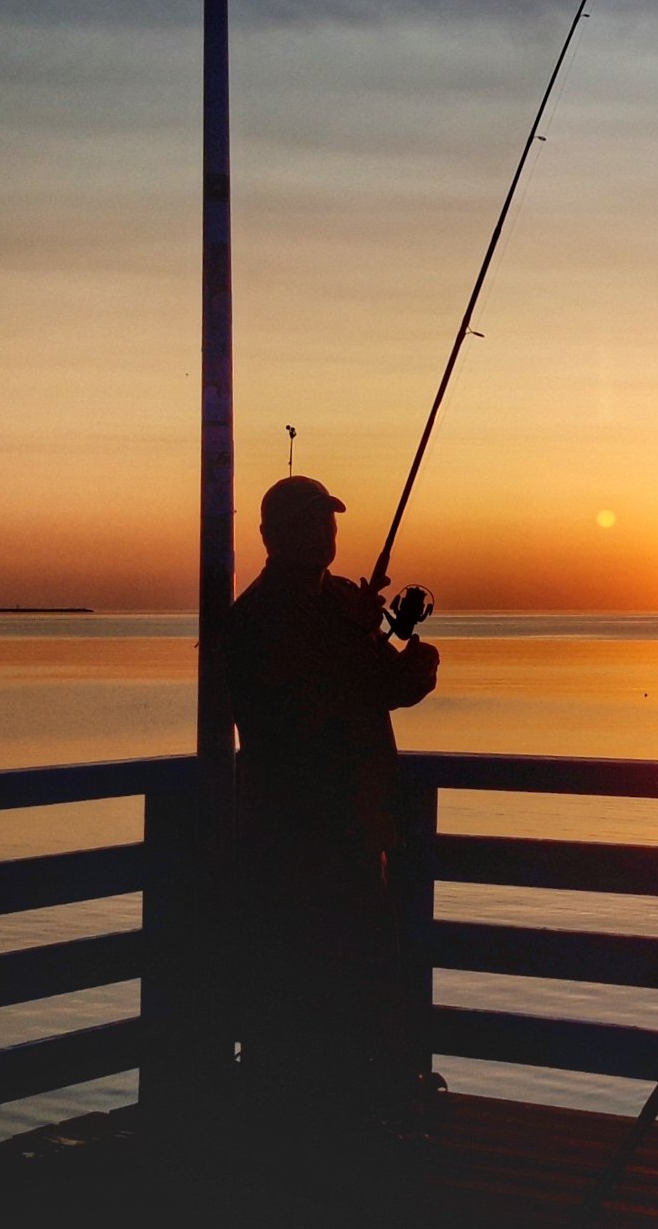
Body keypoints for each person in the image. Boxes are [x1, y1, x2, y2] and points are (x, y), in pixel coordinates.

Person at [225, 475, 440, 1204]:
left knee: (326, 987)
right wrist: (414, 656)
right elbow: (371, 688)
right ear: (272, 534)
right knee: (332, 983)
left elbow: (350, 681)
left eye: (328, 521)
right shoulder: (283, 615)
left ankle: (328, 1130)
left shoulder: (307, 609)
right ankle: (327, 1149)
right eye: (310, 522)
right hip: (317, 836)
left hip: (321, 830)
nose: (325, 534)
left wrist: (368, 629)